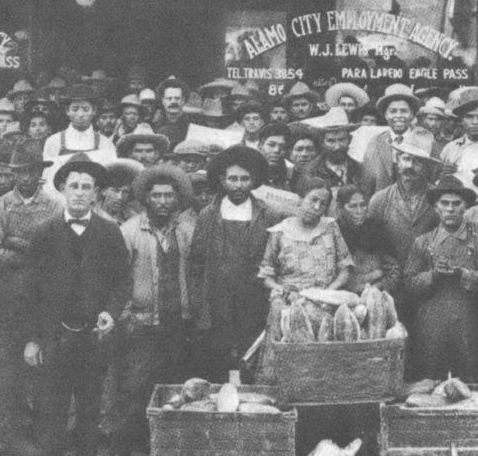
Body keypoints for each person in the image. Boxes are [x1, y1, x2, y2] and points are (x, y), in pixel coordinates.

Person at [23, 155, 130, 456]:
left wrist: (110, 310)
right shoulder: (45, 232)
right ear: (62, 190)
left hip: (93, 338)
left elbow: (122, 282)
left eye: (87, 187)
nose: (80, 192)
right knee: (51, 413)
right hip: (54, 337)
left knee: (89, 412)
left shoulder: (109, 233)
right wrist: (32, 339)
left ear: (97, 193)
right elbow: (30, 292)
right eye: (74, 186)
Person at [110, 165, 195, 456]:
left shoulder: (185, 230)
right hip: (142, 323)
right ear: (146, 198)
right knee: (135, 391)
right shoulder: (130, 230)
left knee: (172, 390)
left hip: (176, 323)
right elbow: (118, 279)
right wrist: (125, 316)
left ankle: (159, 448)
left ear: (176, 199)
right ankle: (122, 449)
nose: (162, 201)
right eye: (156, 195)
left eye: (168, 195)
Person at [0, 145, 60, 455]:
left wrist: (15, 243)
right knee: (4, 371)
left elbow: (56, 252)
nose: (26, 177)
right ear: (13, 174)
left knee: (41, 368)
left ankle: (40, 438)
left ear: (41, 173)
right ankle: (4, 439)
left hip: (42, 299)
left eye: (32, 171)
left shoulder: (54, 207)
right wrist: (32, 251)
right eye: (20, 172)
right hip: (5, 299)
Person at [188, 146, 285, 383]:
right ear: (222, 180)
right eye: (233, 179)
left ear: (253, 181)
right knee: (218, 360)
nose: (238, 185)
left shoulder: (268, 214)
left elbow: (276, 260)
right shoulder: (208, 215)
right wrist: (199, 306)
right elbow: (196, 265)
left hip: (254, 301)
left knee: (252, 358)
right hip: (217, 301)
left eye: (244, 179)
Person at [257, 177, 354, 384]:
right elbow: (266, 277)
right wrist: (283, 291)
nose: (317, 207)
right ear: (300, 199)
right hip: (291, 302)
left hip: (327, 302)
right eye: (313, 200)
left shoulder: (330, 227)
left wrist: (328, 292)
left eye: (323, 204)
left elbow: (345, 268)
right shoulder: (279, 232)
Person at [403, 176, 478, 382]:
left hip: (470, 326)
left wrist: (462, 274)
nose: (450, 209)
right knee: (431, 386)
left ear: (465, 207)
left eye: (456, 203)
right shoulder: (422, 242)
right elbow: (408, 283)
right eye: (445, 203)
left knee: (473, 385)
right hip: (431, 327)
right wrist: (433, 275)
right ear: (435, 207)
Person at [368, 130, 441, 267]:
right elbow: (371, 246)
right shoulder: (380, 200)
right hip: (391, 276)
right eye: (406, 159)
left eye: (418, 161)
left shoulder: (438, 198)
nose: (410, 166)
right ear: (398, 160)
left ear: (427, 166)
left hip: (425, 276)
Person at [361, 84, 440, 198]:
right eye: (393, 111)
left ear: (412, 114)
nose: (398, 116)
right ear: (385, 115)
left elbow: (434, 177)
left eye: (404, 111)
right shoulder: (375, 143)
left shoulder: (426, 140)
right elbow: (367, 185)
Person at [336, 185, 399, 294]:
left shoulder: (376, 229)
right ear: (340, 208)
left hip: (375, 291)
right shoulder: (334, 231)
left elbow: (393, 271)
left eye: (363, 205)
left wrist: (375, 289)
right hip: (341, 293)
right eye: (352, 206)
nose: (359, 211)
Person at [301, 107, 361, 191]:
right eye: (331, 141)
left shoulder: (360, 169)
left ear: (350, 140)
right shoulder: (311, 171)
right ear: (322, 142)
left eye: (342, 140)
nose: (337, 146)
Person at [96, 159, 143, 225]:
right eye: (115, 191)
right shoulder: (89, 214)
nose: (120, 197)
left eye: (125, 192)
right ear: (104, 191)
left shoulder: (134, 218)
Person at [152, 77, 192, 149]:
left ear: (183, 100)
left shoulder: (191, 124)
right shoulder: (154, 126)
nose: (173, 102)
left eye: (177, 98)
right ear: (163, 101)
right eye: (169, 98)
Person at [257, 123, 293, 190]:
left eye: (282, 146)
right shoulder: (248, 173)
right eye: (271, 145)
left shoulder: (291, 176)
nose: (276, 150)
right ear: (260, 146)